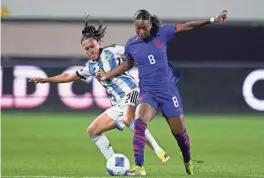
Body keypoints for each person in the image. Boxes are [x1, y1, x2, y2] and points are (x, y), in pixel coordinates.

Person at [97, 9, 228, 176]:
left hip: (168, 92)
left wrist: (212, 19)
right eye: (138, 28)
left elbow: (188, 26)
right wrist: (109, 74)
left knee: (180, 136)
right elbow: (128, 64)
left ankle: (187, 158)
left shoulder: (163, 33)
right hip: (148, 93)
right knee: (139, 124)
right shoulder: (131, 44)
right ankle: (139, 166)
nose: (141, 31)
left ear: (150, 24)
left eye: (144, 27)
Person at [29, 16, 170, 165]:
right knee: (93, 131)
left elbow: (132, 57)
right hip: (118, 103)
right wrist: (46, 80)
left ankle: (159, 150)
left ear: (98, 43)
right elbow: (68, 76)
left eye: (92, 46)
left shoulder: (112, 51)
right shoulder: (90, 67)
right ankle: (115, 164)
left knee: (128, 119)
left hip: (131, 91)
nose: (90, 51)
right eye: (87, 49)